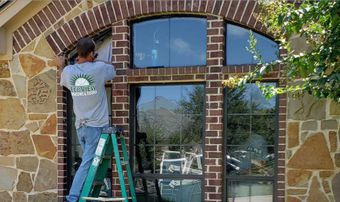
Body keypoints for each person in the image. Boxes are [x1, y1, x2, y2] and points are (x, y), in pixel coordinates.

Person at [56, 37, 116, 202]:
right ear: (91, 53)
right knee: (88, 163)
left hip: (80, 126)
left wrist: (61, 64)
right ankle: (74, 196)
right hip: (96, 127)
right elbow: (113, 70)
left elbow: (62, 76)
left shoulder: (69, 71)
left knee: (89, 163)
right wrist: (96, 59)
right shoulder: (99, 68)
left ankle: (84, 191)